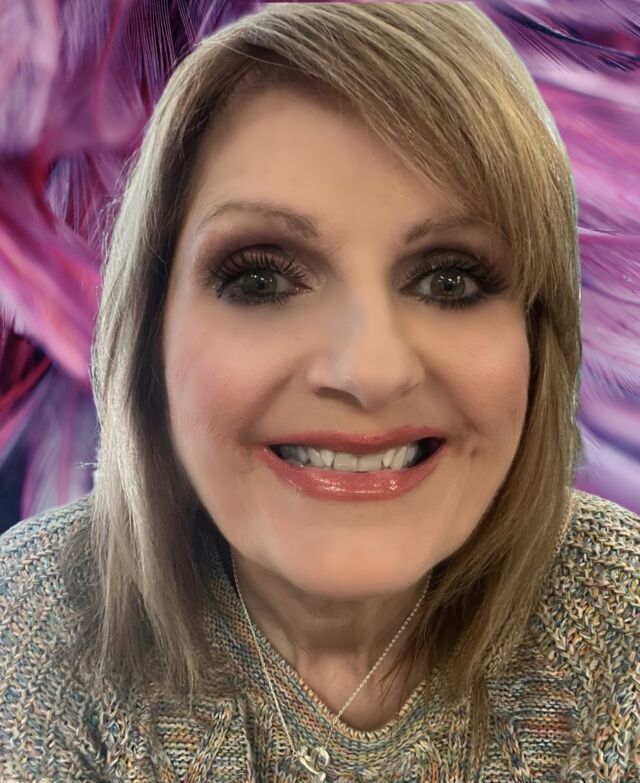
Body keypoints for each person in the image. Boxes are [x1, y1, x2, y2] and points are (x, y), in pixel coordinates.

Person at [1, 3, 638, 781]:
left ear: (540, 336)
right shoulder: (34, 623)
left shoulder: (621, 618)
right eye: (261, 280)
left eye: (448, 280)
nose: (369, 370)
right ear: (149, 330)